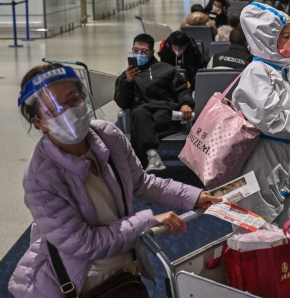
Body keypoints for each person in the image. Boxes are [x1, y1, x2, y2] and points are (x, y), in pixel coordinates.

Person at [8, 63, 222, 297]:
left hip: (124, 264)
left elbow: (140, 183)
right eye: (54, 109)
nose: (68, 111)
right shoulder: (40, 177)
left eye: (73, 99)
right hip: (81, 280)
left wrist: (193, 196)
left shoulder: (107, 135)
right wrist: (146, 221)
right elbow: (84, 243)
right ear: (38, 122)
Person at [232, 3, 290, 226]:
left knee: (282, 226)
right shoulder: (256, 73)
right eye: (285, 37)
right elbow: (271, 120)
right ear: (265, 38)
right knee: (255, 227)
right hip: (261, 159)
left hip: (288, 156)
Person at [115, 34, 195, 172]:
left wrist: (185, 103)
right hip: (141, 114)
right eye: (136, 50)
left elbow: (181, 89)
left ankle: (142, 168)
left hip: (165, 112)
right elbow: (122, 102)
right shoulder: (127, 76)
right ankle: (152, 155)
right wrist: (128, 82)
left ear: (152, 52)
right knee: (140, 114)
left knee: (140, 126)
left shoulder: (166, 69)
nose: (139, 54)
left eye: (144, 51)